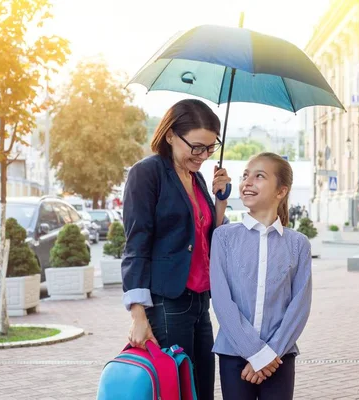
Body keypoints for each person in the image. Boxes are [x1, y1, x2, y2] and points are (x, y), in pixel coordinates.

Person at [122, 99, 231, 400]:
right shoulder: (147, 173)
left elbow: (208, 239)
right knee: (178, 392)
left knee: (203, 389)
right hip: (168, 302)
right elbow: (136, 244)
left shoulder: (196, 179)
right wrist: (138, 315)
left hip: (200, 301)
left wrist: (219, 202)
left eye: (210, 148)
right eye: (196, 147)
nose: (203, 156)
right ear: (170, 135)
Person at [210, 152, 313, 400]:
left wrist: (269, 355)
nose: (248, 182)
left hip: (279, 356)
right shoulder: (223, 237)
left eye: (259, 176)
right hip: (233, 355)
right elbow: (222, 302)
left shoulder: (298, 244)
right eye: (246, 175)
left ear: (281, 192)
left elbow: (300, 305)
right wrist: (255, 354)